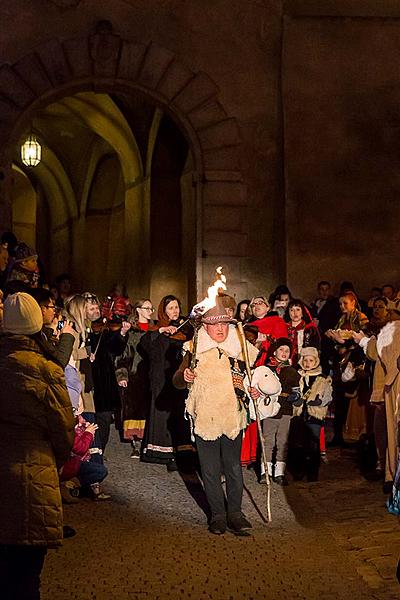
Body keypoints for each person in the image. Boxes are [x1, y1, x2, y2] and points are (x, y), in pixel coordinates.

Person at [0, 292, 75, 599]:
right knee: (28, 573)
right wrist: (58, 458)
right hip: (36, 467)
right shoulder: (46, 369)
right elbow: (62, 428)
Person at [173, 303, 259, 534]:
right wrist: (185, 375)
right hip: (206, 417)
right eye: (215, 324)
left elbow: (255, 378)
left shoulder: (240, 349)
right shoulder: (195, 348)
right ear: (206, 327)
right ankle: (218, 515)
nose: (220, 329)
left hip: (232, 416)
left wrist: (255, 390)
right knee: (209, 469)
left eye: (224, 324)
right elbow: (177, 380)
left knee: (233, 468)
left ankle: (236, 513)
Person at [140, 295, 193, 471]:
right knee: (163, 414)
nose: (175, 311)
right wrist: (162, 332)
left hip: (179, 377)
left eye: (176, 307)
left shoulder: (185, 330)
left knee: (179, 414)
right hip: (161, 378)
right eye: (170, 308)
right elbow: (145, 345)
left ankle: (180, 454)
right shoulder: (157, 329)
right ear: (164, 311)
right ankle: (162, 453)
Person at [241, 295, 288, 466]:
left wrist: (267, 339)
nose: (256, 306)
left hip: (270, 372)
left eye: (260, 303)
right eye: (253, 304)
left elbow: (283, 346)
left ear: (268, 307)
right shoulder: (247, 327)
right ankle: (250, 454)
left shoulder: (277, 322)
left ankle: (267, 459)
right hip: (252, 371)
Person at [326, 291, 369, 446]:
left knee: (351, 398)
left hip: (354, 362)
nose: (342, 306)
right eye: (340, 303)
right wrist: (335, 339)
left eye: (345, 303)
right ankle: (338, 434)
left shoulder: (361, 318)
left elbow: (364, 339)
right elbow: (337, 337)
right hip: (341, 361)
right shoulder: (342, 318)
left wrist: (344, 343)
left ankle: (354, 434)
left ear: (353, 302)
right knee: (339, 398)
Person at [115, 298, 154, 457]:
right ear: (138, 310)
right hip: (135, 376)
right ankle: (135, 442)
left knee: (149, 409)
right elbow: (122, 356)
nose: (150, 312)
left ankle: (148, 441)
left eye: (151, 309)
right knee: (135, 409)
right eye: (147, 308)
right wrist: (122, 375)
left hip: (151, 376)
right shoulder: (132, 332)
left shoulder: (155, 330)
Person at [289, 347, 332, 482]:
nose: (308, 363)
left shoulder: (323, 378)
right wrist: (295, 399)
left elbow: (328, 395)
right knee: (297, 444)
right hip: (299, 414)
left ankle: (312, 473)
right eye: (305, 360)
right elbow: (293, 392)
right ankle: (298, 471)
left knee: (313, 445)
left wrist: (320, 401)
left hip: (314, 415)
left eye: (311, 360)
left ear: (316, 361)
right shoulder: (297, 376)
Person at [261, 338, 300, 485]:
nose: (284, 353)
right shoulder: (266, 370)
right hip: (270, 408)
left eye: (287, 351)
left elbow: (297, 392)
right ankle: (265, 471)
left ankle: (279, 472)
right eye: (281, 350)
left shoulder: (292, 372)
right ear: (275, 351)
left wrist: (296, 397)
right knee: (268, 440)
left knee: (282, 441)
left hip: (286, 409)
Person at [284, 299, 320, 368]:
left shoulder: (310, 329)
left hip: (305, 365)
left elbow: (315, 350)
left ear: (302, 312)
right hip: (286, 363)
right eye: (292, 310)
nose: (295, 313)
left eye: (298, 309)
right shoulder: (283, 328)